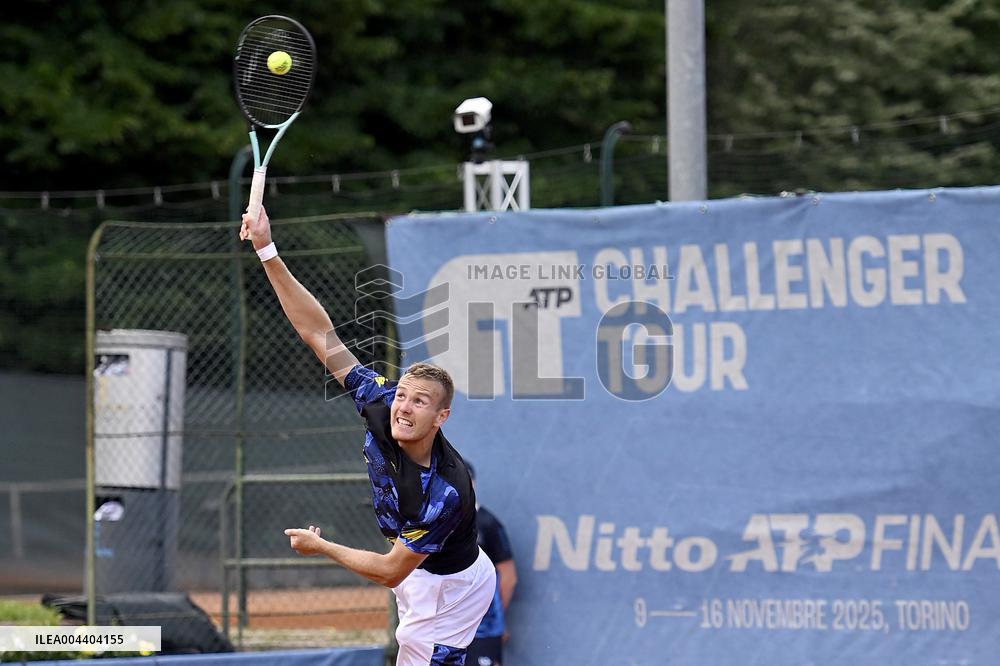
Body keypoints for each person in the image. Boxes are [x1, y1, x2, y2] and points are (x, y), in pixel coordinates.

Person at [239, 208, 496, 665]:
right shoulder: (381, 402)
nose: (404, 407)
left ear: (441, 417)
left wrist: (320, 546)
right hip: (417, 566)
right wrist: (266, 249)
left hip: (450, 587)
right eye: (404, 396)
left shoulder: (443, 490)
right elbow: (317, 332)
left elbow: (390, 572)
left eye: (420, 402)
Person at [465, 464, 517, 666]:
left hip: (483, 630)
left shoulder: (488, 523)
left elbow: (508, 576)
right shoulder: (437, 522)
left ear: (472, 483)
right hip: (445, 628)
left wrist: (496, 619)